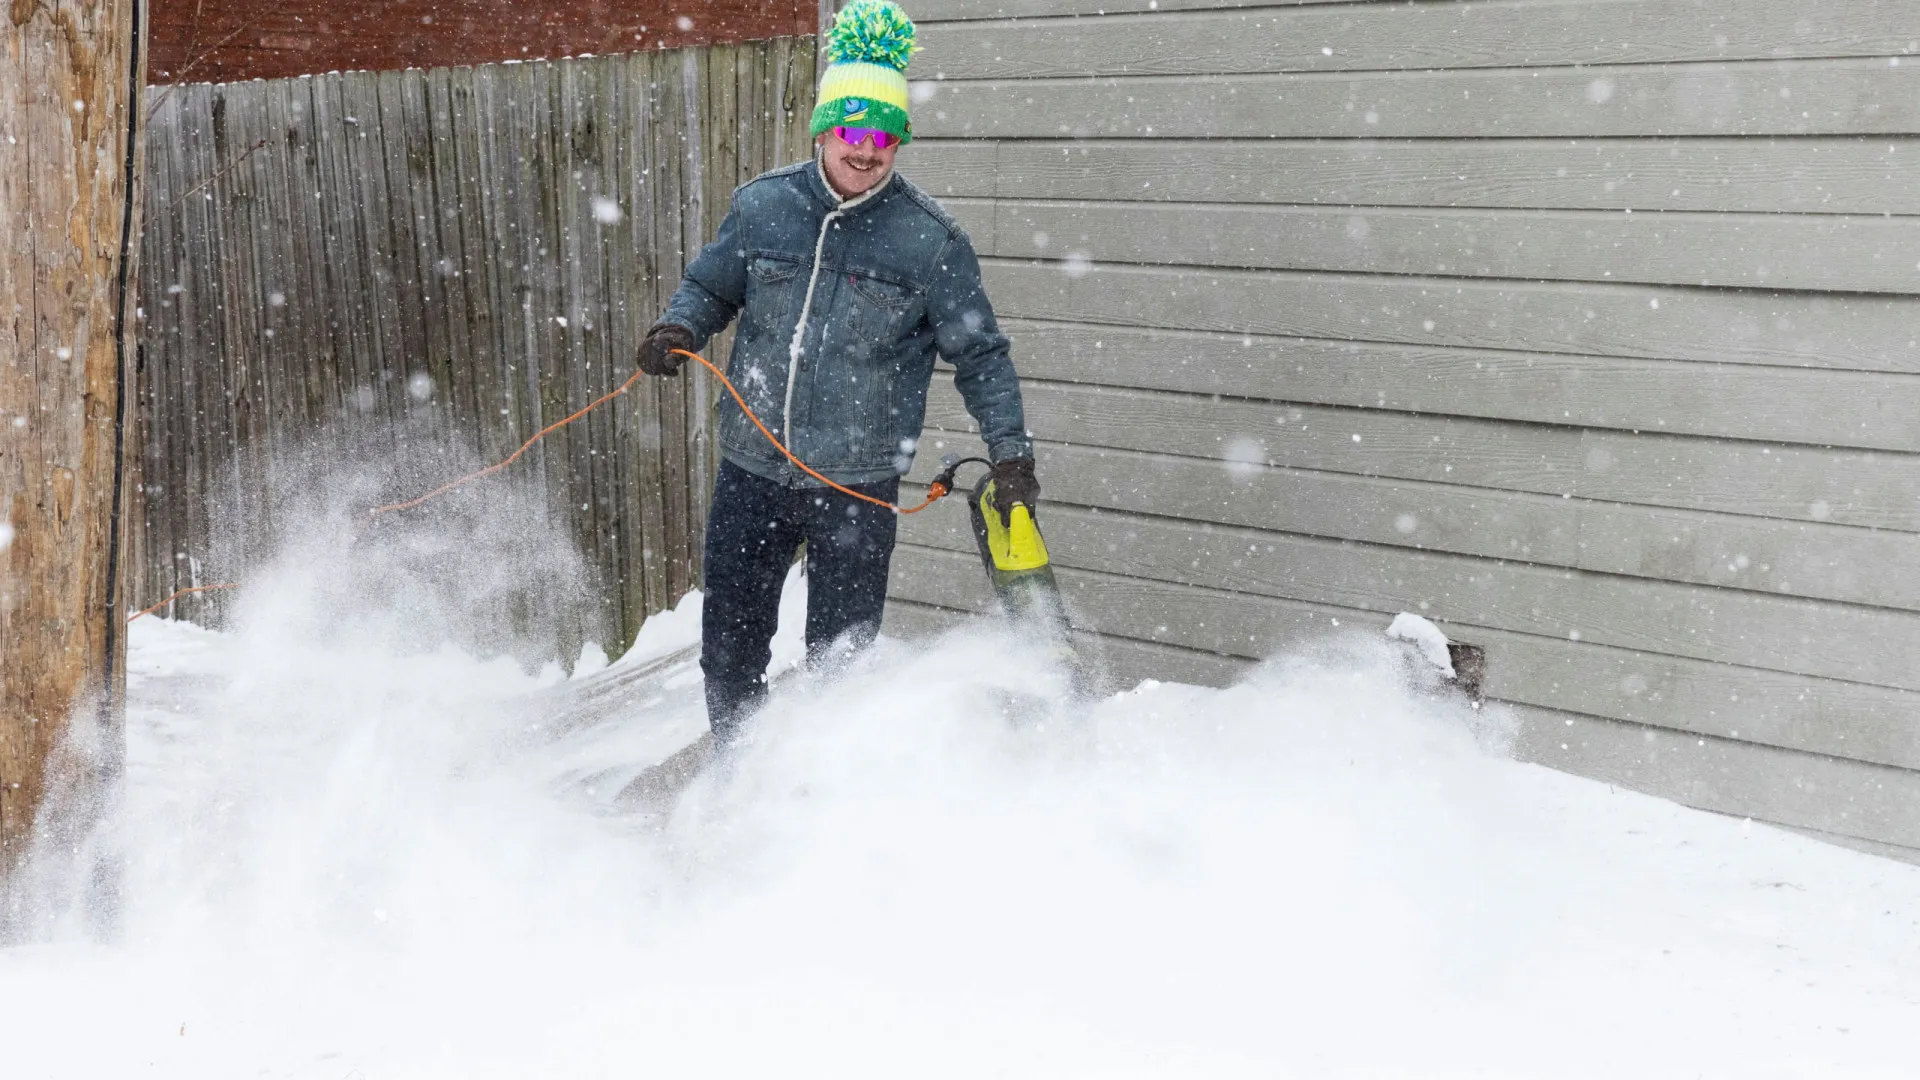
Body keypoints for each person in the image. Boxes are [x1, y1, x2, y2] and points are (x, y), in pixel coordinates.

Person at [633, 0, 1038, 746]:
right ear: (825, 129)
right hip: (752, 472)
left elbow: (982, 355)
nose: (867, 150)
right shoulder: (763, 208)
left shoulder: (930, 242)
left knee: (841, 672)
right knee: (729, 652)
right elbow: (713, 286)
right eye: (853, 130)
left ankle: (819, 815)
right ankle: (736, 778)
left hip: (856, 485)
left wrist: (1011, 454)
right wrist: (680, 325)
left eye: (885, 135)